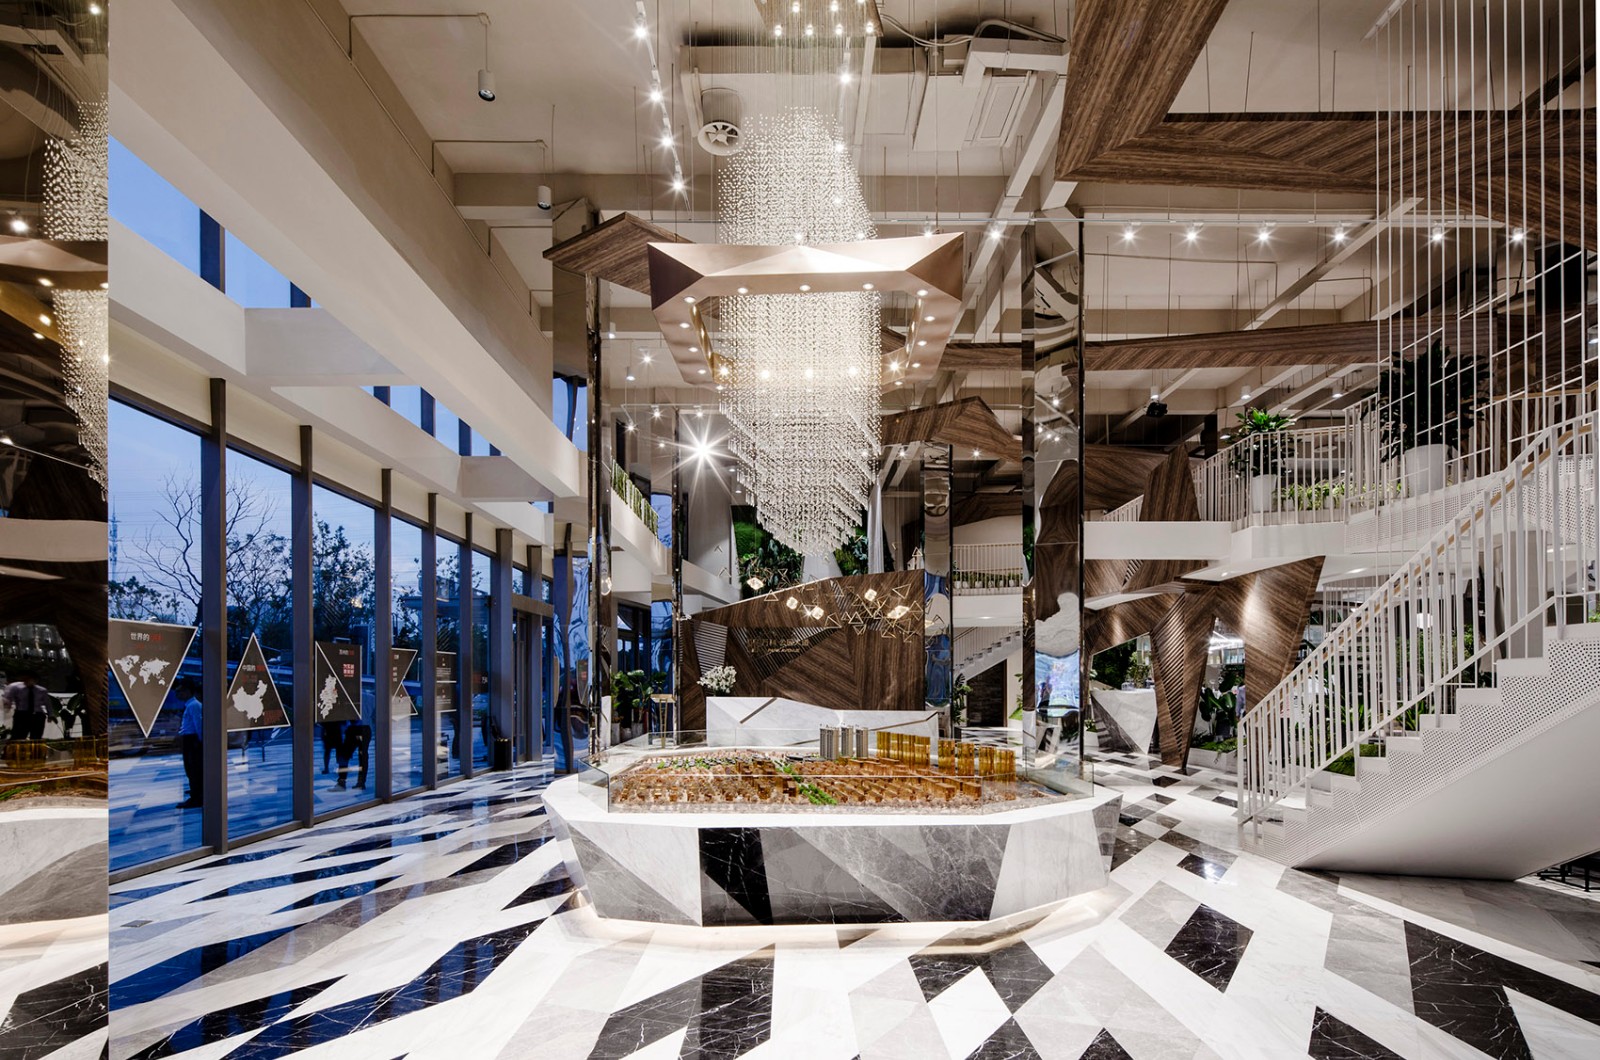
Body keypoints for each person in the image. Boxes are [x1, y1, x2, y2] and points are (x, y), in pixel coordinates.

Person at [175, 677, 204, 808]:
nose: (178, 694)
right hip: (189, 740)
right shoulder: (190, 705)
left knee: (193, 769)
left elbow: (199, 724)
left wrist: (200, 742)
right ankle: (195, 791)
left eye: (180, 691)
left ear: (188, 691)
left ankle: (196, 797)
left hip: (193, 740)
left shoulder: (194, 705)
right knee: (190, 768)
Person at [4, 670, 50, 742]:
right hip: (22, 715)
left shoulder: (42, 690)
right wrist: (7, 705)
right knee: (18, 736)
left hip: (37, 715)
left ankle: (34, 749)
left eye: (29, 679)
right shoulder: (17, 688)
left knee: (36, 737)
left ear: (35, 680)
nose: (26, 681)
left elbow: (48, 703)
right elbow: (9, 698)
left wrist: (51, 715)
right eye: (25, 679)